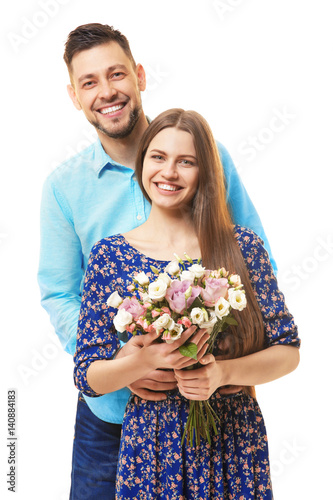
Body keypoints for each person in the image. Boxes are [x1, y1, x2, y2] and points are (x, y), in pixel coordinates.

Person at [38, 23, 277, 498]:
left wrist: (219, 359)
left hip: (212, 405)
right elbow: (60, 293)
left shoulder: (208, 156)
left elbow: (250, 265)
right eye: (89, 82)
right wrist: (126, 361)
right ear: (74, 95)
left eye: (117, 74)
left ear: (140, 76)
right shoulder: (64, 188)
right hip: (110, 414)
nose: (107, 92)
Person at [73, 108, 300, 499]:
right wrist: (140, 363)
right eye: (158, 157)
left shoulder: (242, 248)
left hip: (233, 443)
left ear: (206, 172)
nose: (169, 172)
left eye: (186, 162)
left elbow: (288, 351)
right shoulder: (109, 255)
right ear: (142, 162)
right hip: (152, 445)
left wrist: (222, 374)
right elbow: (86, 376)